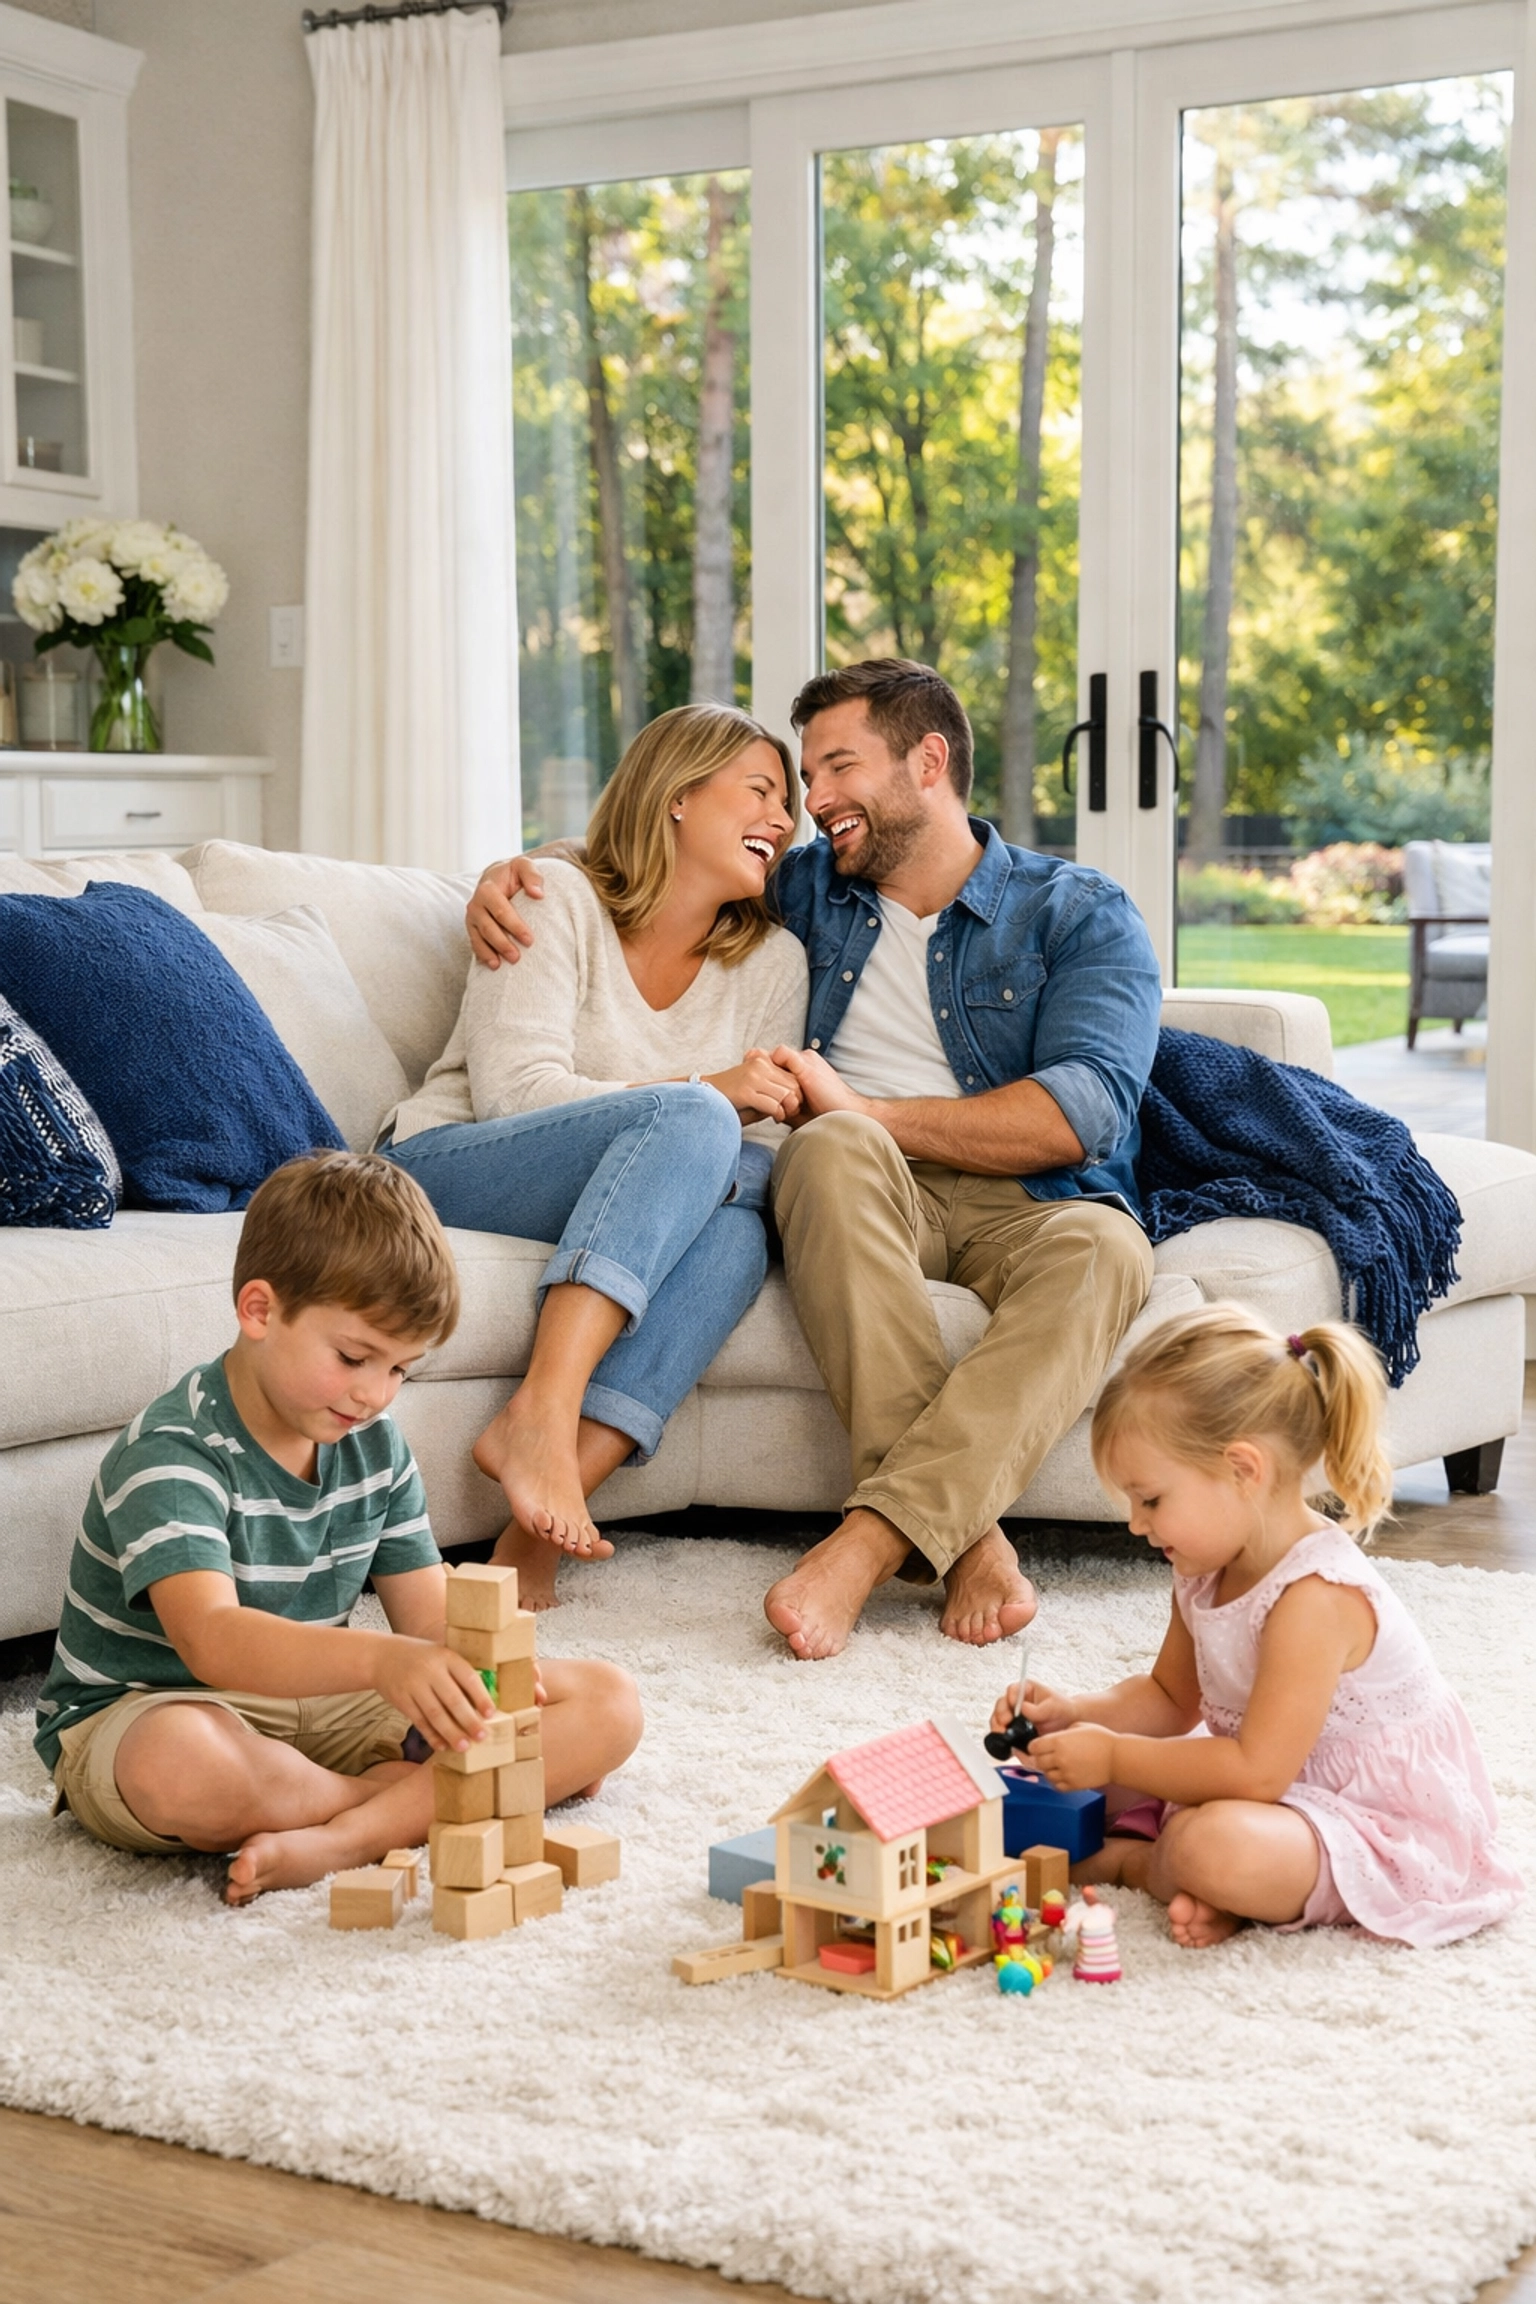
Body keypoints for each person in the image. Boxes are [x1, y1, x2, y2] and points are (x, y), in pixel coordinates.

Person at [466, 659, 1161, 1656]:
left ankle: (875, 1542)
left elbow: (1082, 1114)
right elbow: (662, 853)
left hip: (1037, 1201)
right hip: (864, 1190)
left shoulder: (1077, 911)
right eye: (802, 780)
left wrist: (867, 1106)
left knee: (1110, 1252)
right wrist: (513, 871)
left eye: (837, 770)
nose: (811, 804)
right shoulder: (810, 889)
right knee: (827, 1152)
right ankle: (961, 1539)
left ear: (928, 763)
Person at [33, 1152, 642, 1906]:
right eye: (355, 1357)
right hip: (156, 1705)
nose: (374, 1395)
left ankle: (348, 1833)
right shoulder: (172, 1452)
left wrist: (500, 1675)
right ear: (260, 1311)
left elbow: (428, 1622)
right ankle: (403, 1800)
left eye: (399, 1371)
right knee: (184, 1769)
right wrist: (394, 1670)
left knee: (608, 1702)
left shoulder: (374, 1449)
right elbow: (214, 1641)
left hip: (318, 1702)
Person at [387, 704, 808, 1608]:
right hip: (449, 1167)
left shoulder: (774, 962)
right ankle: (540, 1409)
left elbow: (760, 1151)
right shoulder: (549, 894)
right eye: (761, 791)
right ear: (678, 797)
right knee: (701, 1121)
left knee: (741, 1230)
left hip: (638, 1178)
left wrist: (711, 1110)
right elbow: (515, 1094)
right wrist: (709, 1092)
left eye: (790, 807)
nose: (783, 820)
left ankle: (524, 1536)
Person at [993, 1303, 1523, 1949]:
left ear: (1244, 1470)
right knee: (1057, 1772)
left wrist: (1111, 1751)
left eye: (1151, 1499)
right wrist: (1076, 1716)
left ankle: (1142, 1862)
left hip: (1369, 1818)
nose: (1136, 1523)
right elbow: (1169, 1697)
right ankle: (1226, 1896)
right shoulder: (1200, 1565)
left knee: (1208, 1845)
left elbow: (1254, 1774)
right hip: (1274, 1790)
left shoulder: (1314, 1598)